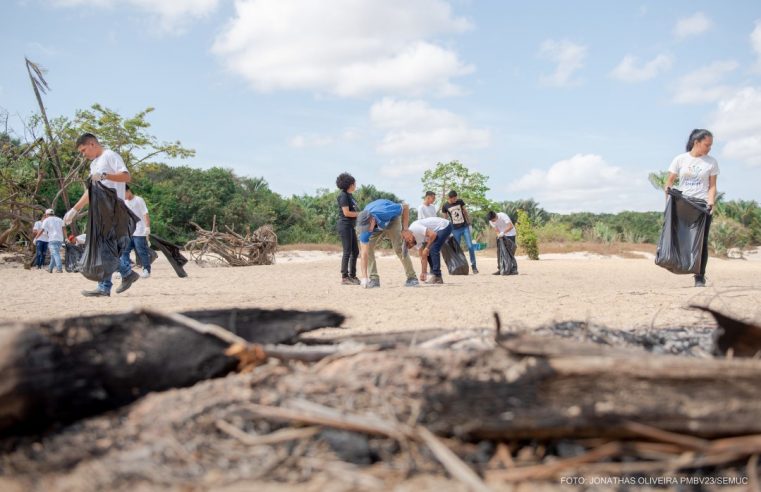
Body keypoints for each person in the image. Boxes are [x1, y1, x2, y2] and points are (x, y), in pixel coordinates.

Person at [64, 133, 139, 297]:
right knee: (103, 249)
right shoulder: (94, 164)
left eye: (84, 150)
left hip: (113, 209)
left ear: (92, 144)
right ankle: (117, 280)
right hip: (100, 210)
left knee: (104, 249)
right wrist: (75, 209)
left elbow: (126, 176)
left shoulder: (110, 155)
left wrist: (105, 175)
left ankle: (118, 279)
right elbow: (91, 190)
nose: (83, 154)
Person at [665, 129, 719, 287]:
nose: (709, 148)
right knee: (679, 237)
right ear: (696, 142)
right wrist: (667, 203)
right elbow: (669, 183)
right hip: (683, 203)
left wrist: (711, 203)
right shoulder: (680, 159)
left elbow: (712, 186)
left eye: (710, 145)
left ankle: (699, 276)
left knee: (702, 241)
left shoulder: (711, 162)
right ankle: (675, 264)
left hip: (701, 205)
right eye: (706, 145)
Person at [356, 199, 419, 288]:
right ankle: (374, 279)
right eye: (365, 229)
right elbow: (364, 253)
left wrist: (405, 229)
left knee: (399, 248)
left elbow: (405, 207)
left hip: (392, 220)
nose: (368, 231)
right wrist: (364, 277)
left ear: (372, 220)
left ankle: (412, 278)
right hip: (377, 226)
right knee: (368, 248)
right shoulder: (365, 227)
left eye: (368, 227)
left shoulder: (384, 211)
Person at [402, 216, 452, 284]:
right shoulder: (414, 241)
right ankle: (435, 275)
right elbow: (423, 257)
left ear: (408, 239)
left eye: (409, 244)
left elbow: (433, 234)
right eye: (409, 246)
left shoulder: (415, 228)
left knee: (433, 249)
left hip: (444, 226)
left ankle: (437, 276)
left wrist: (427, 248)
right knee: (426, 252)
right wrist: (423, 272)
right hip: (437, 230)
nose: (410, 246)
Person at [441, 190, 479, 274]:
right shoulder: (445, 206)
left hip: (464, 227)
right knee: (456, 249)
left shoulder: (460, 202)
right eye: (453, 199)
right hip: (455, 229)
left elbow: (465, 212)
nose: (455, 200)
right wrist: (446, 230)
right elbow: (445, 218)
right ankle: (458, 266)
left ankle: (474, 266)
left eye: (456, 198)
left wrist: (469, 223)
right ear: (449, 198)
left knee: (470, 246)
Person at [335, 173, 360, 285]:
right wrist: (361, 214)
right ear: (350, 184)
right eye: (354, 183)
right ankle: (344, 277)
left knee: (355, 251)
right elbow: (346, 213)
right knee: (347, 251)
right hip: (344, 226)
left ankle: (352, 275)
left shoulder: (350, 196)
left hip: (351, 226)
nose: (355, 185)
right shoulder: (343, 196)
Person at [123, 184, 152, 279]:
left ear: (128, 191)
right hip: (129, 230)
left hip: (140, 230)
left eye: (124, 193)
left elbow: (145, 213)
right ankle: (125, 270)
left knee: (141, 251)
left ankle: (146, 270)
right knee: (124, 251)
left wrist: (147, 227)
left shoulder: (139, 200)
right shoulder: (124, 202)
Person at [487, 211, 518, 275]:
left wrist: (503, 232)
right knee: (500, 252)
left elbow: (510, 226)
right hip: (501, 236)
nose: (493, 221)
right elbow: (496, 230)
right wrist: (499, 235)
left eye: (493, 220)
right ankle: (501, 268)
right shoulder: (491, 221)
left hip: (510, 234)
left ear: (496, 216)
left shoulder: (503, 216)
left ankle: (514, 269)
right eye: (491, 221)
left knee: (510, 252)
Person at [34, 209, 64, 273]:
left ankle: (59, 268)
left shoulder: (46, 220)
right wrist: (66, 237)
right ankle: (50, 268)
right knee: (53, 254)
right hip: (60, 239)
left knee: (55, 254)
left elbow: (42, 230)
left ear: (47, 214)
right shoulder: (60, 219)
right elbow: (64, 229)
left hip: (52, 239)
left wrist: (36, 238)